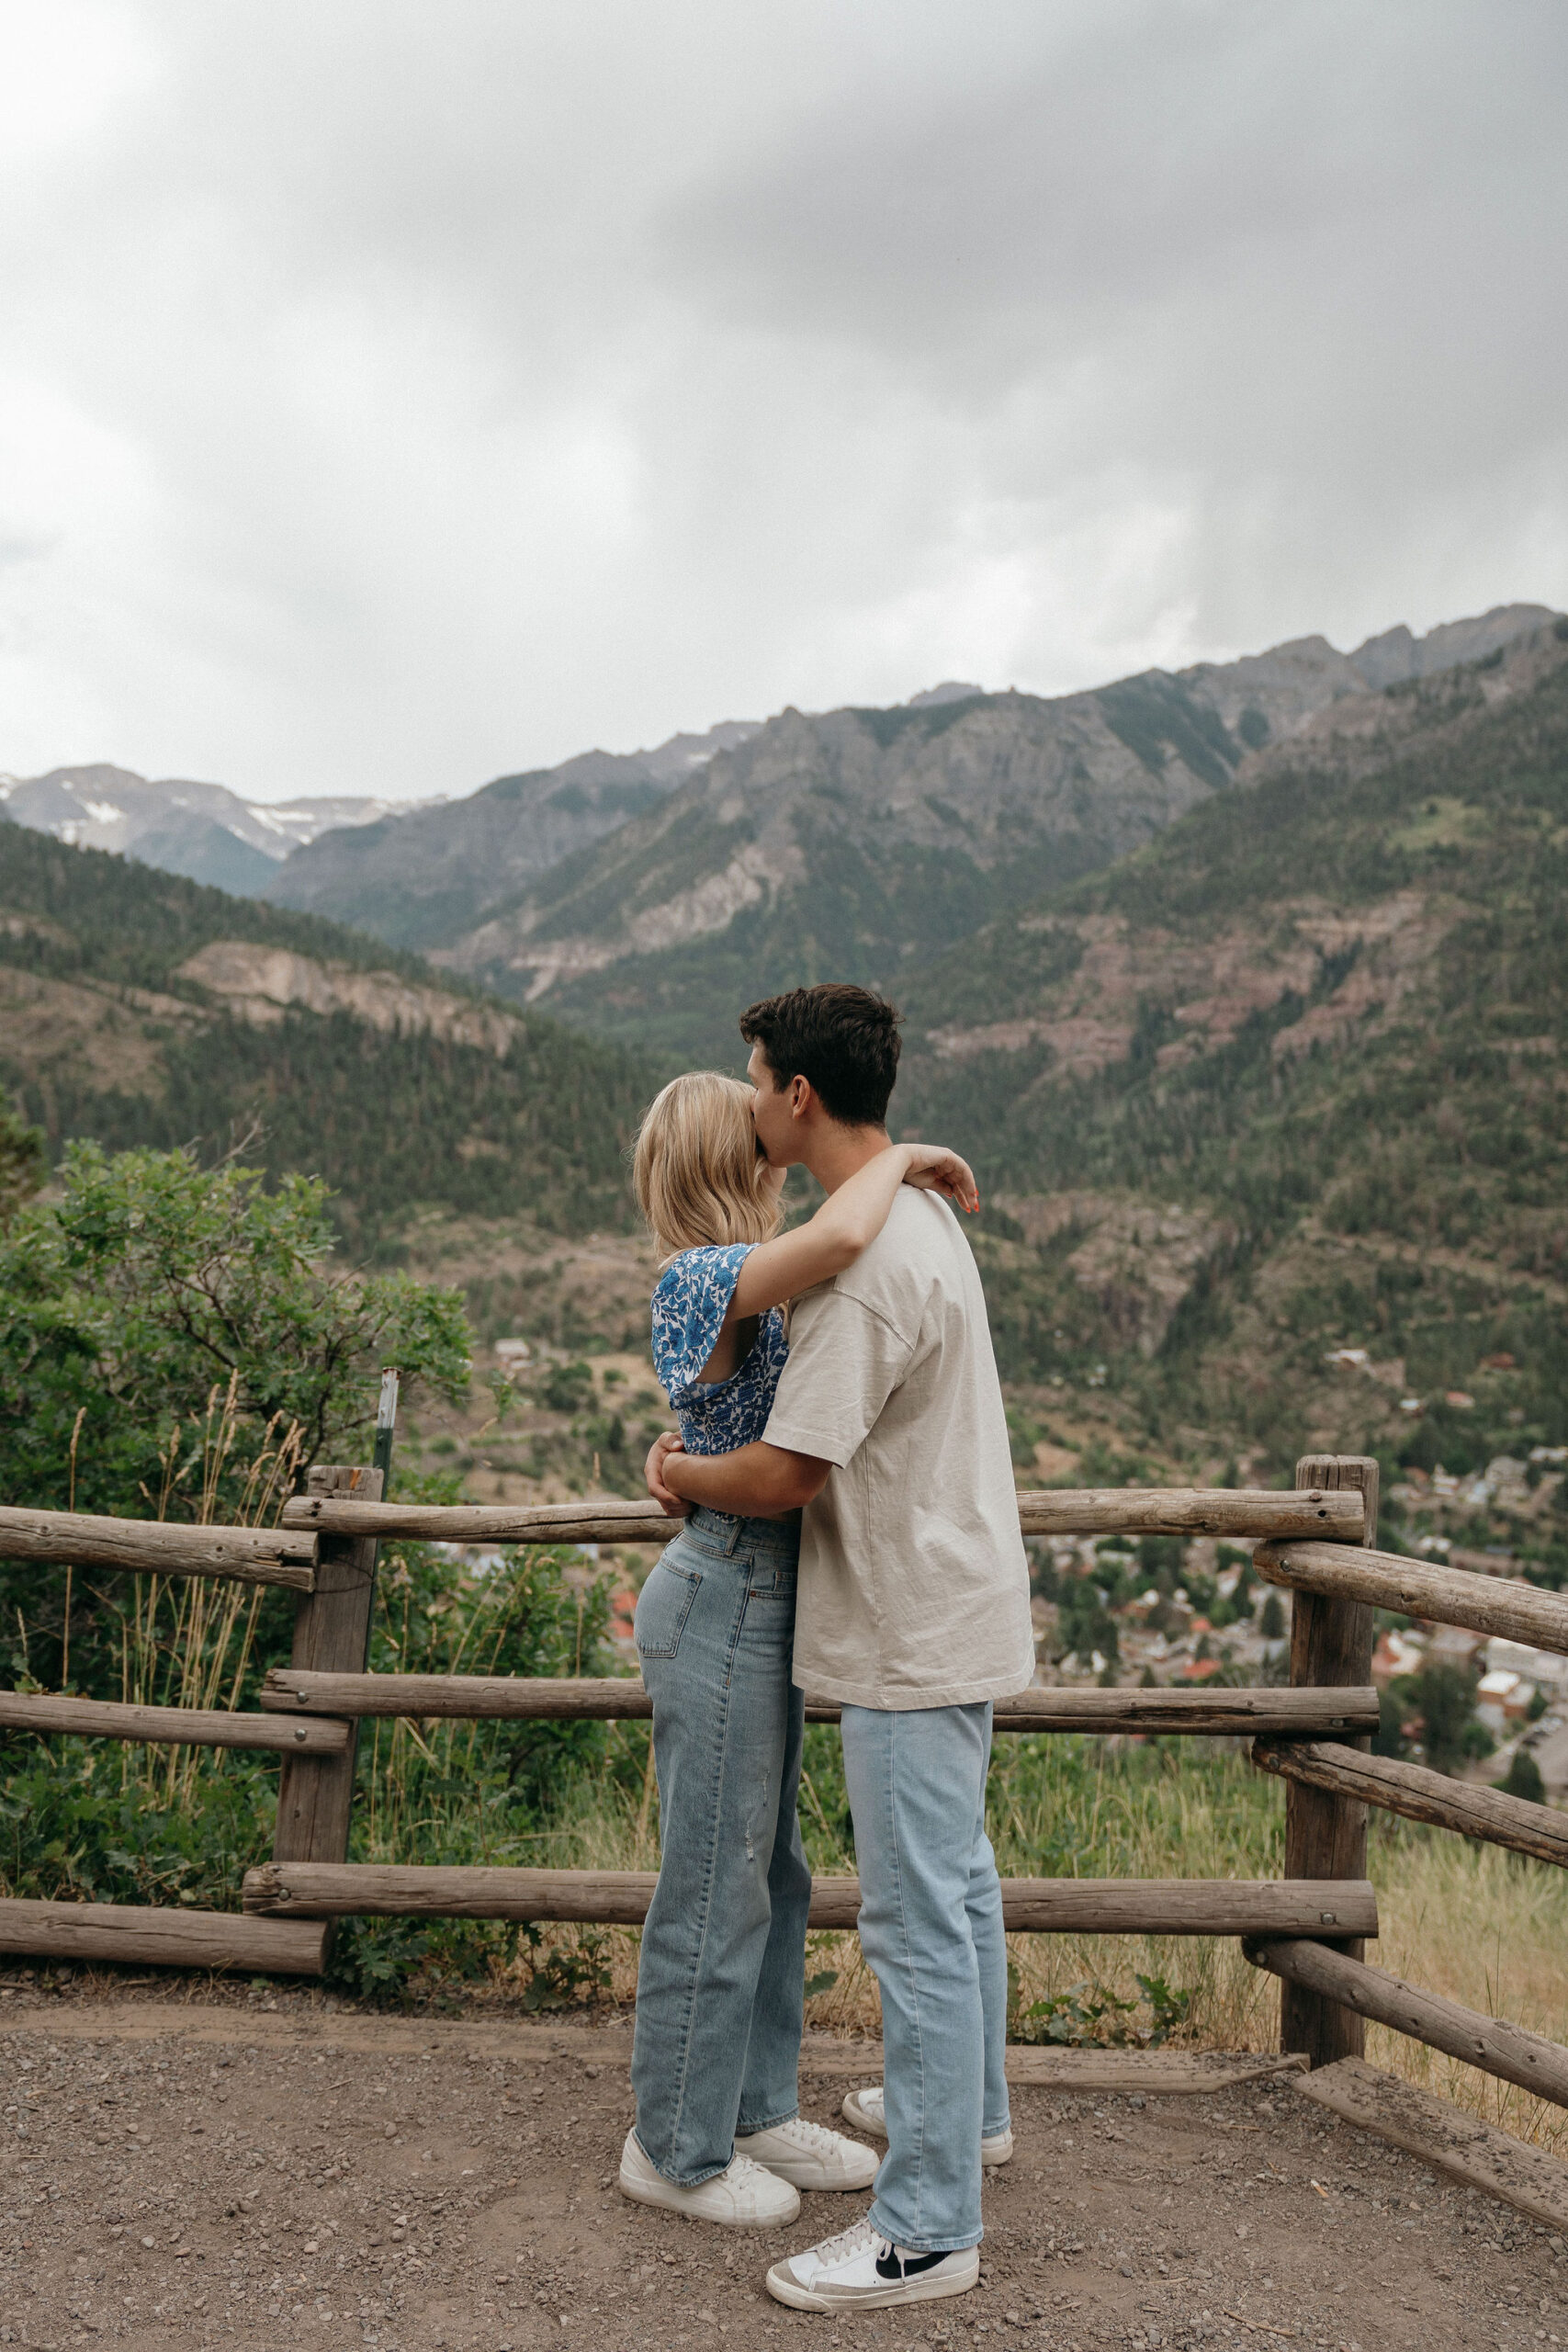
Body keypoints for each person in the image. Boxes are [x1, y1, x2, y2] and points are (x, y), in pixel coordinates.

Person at [646, 984, 1035, 2315]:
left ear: (796, 1098)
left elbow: (788, 1470)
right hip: (963, 1599)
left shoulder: (862, 1268)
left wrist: (682, 1471)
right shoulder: (913, 1214)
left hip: (902, 1621)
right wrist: (907, 1156)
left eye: (759, 1080)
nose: (754, 1104)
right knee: (960, 1892)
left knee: (920, 1927)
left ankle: (925, 2225)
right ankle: (966, 2117)